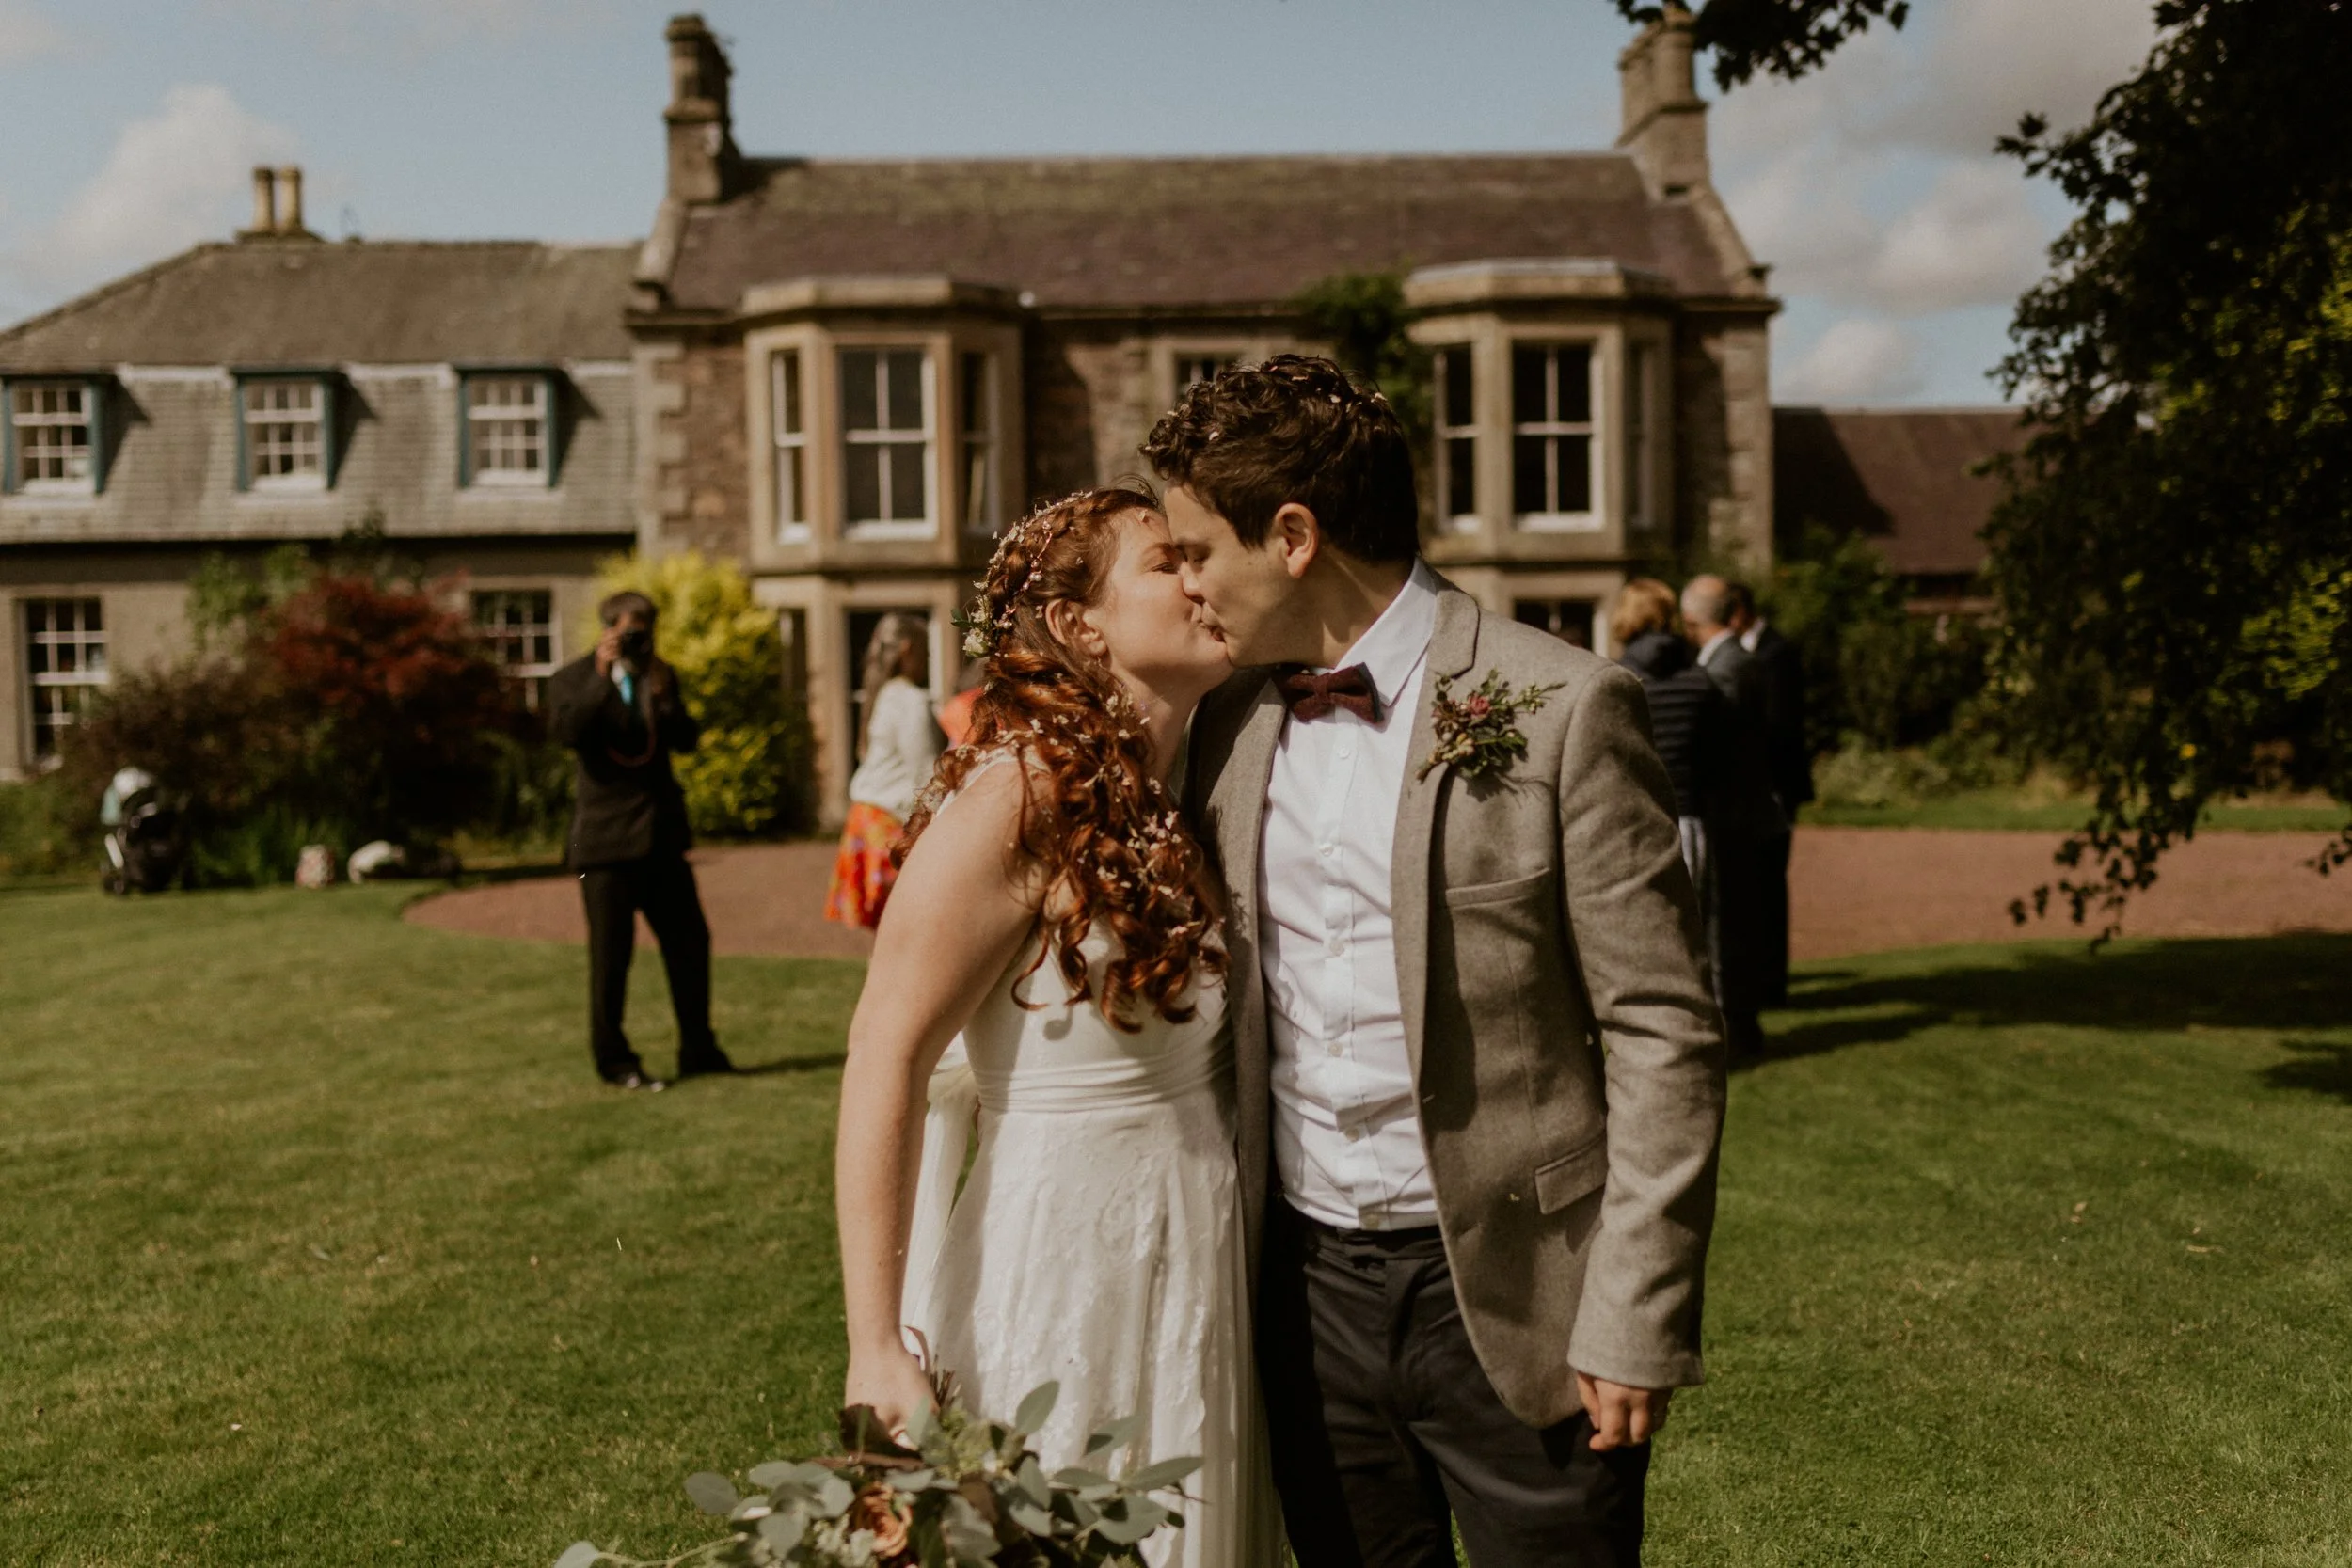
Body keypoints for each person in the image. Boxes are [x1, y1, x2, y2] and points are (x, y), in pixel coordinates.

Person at [1151, 356, 1726, 1568]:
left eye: (1198, 549)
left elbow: (1663, 1027)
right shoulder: (1224, 725)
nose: (1186, 582)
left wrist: (1634, 1309)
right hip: (1303, 1297)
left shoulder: (1567, 706)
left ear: (1293, 535)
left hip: (1530, 1299)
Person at [834, 488, 1281, 1568]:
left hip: (1197, 1255)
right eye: (1163, 563)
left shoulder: (1177, 787)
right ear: (1080, 624)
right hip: (1060, 1261)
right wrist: (875, 1344)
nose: (1197, 579)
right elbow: (883, 1052)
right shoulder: (1015, 792)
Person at [547, 591, 734, 1090]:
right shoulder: (573, 678)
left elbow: (687, 739)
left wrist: (663, 694)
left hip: (660, 840)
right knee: (611, 957)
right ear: (607, 630)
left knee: (691, 944)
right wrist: (603, 680)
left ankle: (699, 1047)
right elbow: (568, 732)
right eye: (629, 630)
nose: (637, 639)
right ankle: (615, 1061)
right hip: (603, 848)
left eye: (645, 630)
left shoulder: (661, 675)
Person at [1680, 575, 1780, 1060]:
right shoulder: (1734, 660)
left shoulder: (1729, 667)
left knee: (1729, 924)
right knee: (1728, 921)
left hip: (1731, 813)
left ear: (1691, 619)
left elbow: (1723, 746)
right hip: (1737, 810)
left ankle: (1738, 1029)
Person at [1609, 578, 1730, 899]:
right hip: (1688, 820)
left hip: (1629, 821)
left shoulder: (1615, 681)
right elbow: (1716, 758)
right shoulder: (1700, 681)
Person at [824, 613, 943, 929]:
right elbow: (925, 774)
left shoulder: (882, 694)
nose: (929, 659)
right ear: (907, 650)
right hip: (890, 822)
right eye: (925, 651)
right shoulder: (911, 701)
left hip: (867, 820)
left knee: (888, 935)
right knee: (908, 928)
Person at [1725, 580, 1811, 1006]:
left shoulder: (1776, 652)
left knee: (1769, 883)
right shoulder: (1758, 651)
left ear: (1739, 612)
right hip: (1758, 787)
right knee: (1755, 884)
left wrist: (1771, 788)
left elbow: (1781, 728)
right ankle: (1758, 977)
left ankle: (1772, 982)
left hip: (1775, 786)